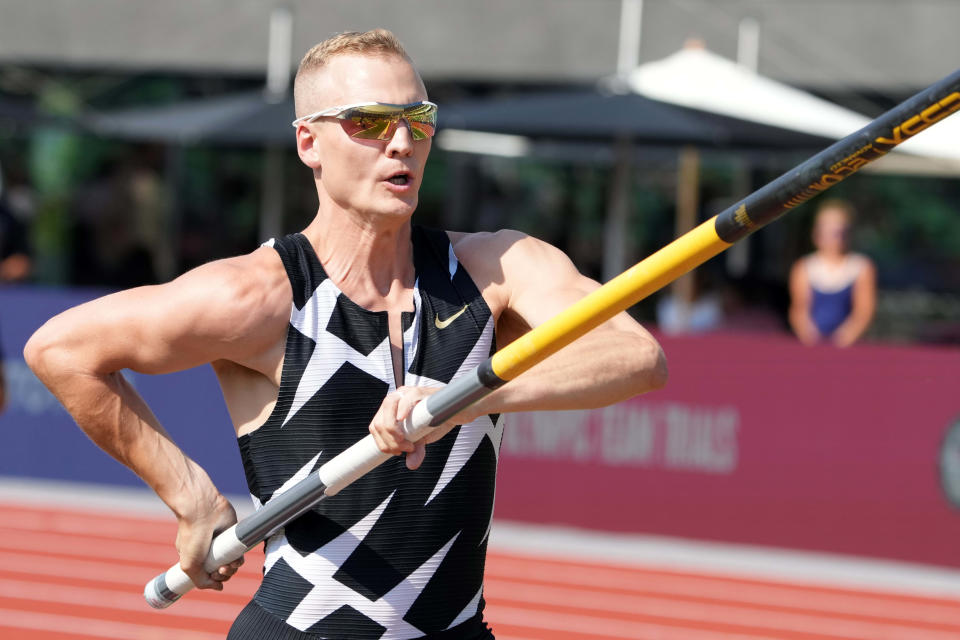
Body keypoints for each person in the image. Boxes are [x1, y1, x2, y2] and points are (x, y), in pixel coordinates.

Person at [25, 29, 667, 639]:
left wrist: (462, 400)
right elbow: (61, 351)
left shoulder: (494, 269)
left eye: (418, 120)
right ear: (309, 143)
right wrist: (190, 496)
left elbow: (636, 357)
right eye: (369, 122)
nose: (401, 142)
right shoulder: (260, 296)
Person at [789, 199, 876, 347]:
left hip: (848, 345)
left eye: (838, 231)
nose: (833, 237)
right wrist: (810, 337)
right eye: (827, 229)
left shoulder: (861, 266)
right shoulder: (804, 267)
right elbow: (799, 310)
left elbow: (863, 312)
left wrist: (844, 339)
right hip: (810, 343)